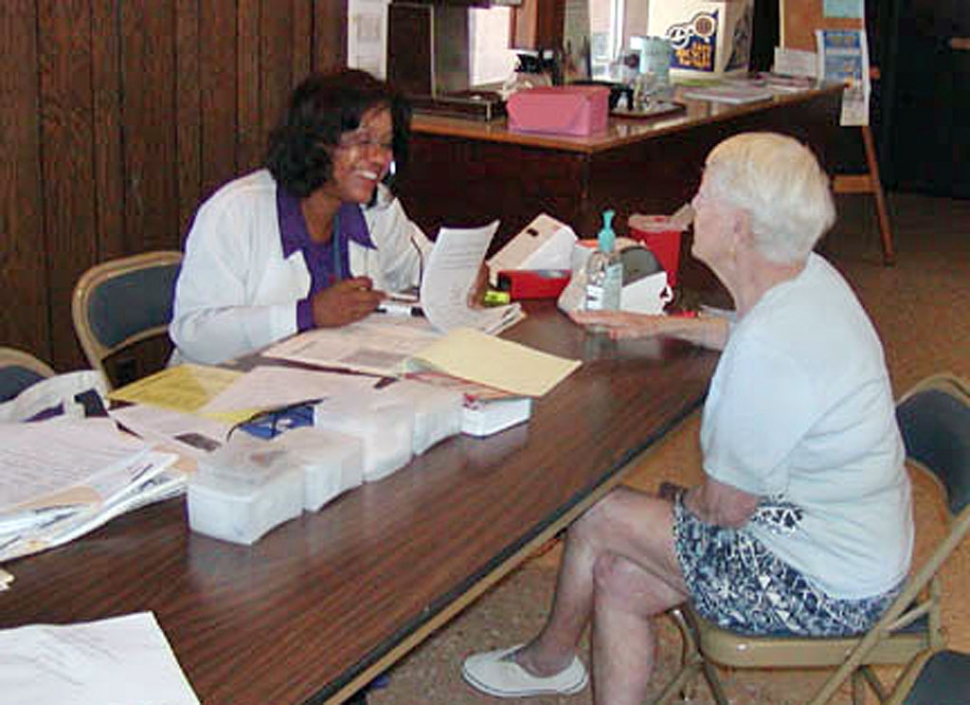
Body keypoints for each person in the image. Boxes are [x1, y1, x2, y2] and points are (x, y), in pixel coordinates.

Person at [461, 132, 914, 705]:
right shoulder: (807, 278)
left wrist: (665, 509)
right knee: (619, 579)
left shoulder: (773, 349)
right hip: (860, 545)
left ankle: (551, 657)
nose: (695, 204)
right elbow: (751, 339)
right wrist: (664, 325)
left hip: (825, 583)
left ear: (740, 227)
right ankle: (555, 659)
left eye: (706, 193)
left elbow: (725, 509)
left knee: (595, 510)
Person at [169, 69, 433, 365]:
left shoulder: (376, 206)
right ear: (315, 143)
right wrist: (308, 314)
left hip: (332, 384)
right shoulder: (235, 212)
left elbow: (420, 267)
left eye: (386, 144)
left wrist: (460, 274)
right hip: (224, 391)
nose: (380, 158)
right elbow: (195, 336)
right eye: (362, 141)